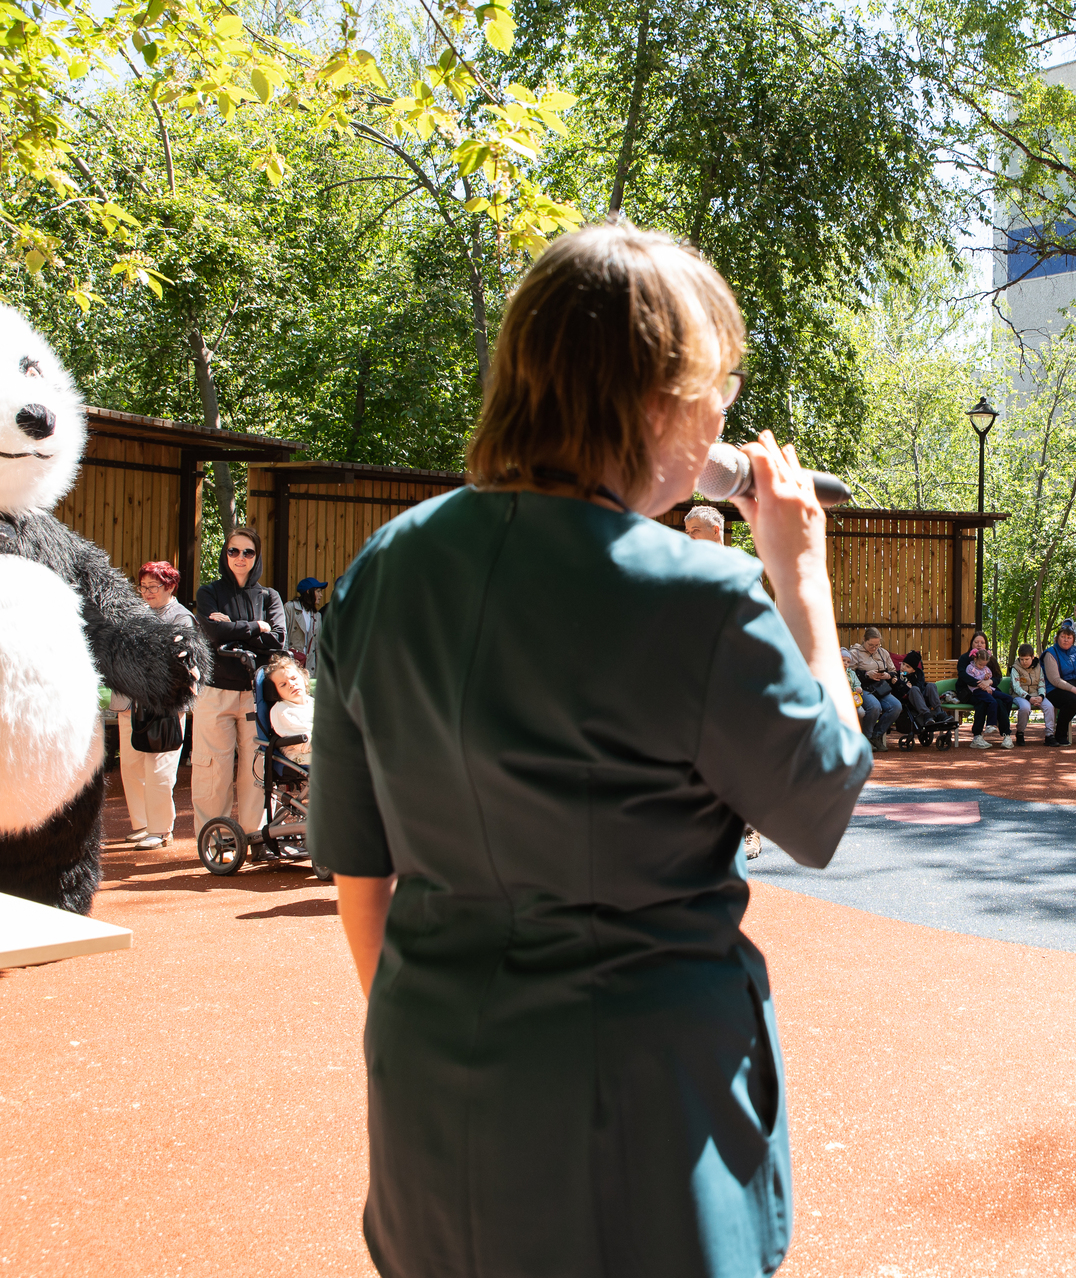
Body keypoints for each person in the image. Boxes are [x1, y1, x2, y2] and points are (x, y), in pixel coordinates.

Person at [310, 223, 871, 1278]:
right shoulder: (702, 596)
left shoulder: (384, 569)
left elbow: (361, 876)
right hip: (650, 1133)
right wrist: (802, 581)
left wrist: (455, 1053)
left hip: (435, 1113)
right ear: (657, 403)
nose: (724, 415)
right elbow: (822, 802)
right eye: (720, 387)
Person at [193, 524, 285, 837]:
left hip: (255, 694)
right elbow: (211, 633)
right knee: (212, 769)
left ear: (257, 556)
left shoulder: (269, 596)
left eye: (248, 552)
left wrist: (231, 627)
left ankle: (255, 836)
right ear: (225, 553)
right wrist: (256, 627)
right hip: (215, 692)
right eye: (234, 550)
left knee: (255, 768)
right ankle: (213, 839)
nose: (240, 557)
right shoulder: (208, 593)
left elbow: (278, 640)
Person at [118, 560, 196, 851]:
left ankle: (161, 829)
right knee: (131, 766)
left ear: (170, 586)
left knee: (159, 768)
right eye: (143, 587)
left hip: (164, 705)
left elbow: (180, 660)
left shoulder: (181, 617)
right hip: (130, 700)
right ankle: (142, 824)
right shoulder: (136, 613)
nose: (147, 592)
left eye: (153, 586)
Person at [848, 627, 903, 750]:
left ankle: (876, 735)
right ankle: (866, 738)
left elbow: (893, 671)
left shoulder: (883, 652)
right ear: (864, 640)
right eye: (871, 645)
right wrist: (867, 674)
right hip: (863, 688)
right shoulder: (855, 653)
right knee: (874, 707)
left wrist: (887, 675)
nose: (874, 648)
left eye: (877, 645)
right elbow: (849, 673)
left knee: (896, 706)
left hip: (880, 687)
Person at [963, 635, 1015, 749]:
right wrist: (981, 684)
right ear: (972, 643)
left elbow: (997, 677)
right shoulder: (967, 661)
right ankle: (980, 733)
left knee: (1005, 700)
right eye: (976, 642)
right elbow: (965, 677)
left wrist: (989, 681)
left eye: (982, 642)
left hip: (990, 689)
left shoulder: (990, 661)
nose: (979, 644)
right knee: (987, 703)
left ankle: (1002, 728)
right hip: (974, 691)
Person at [1041, 623, 1076, 745]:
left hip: (1074, 687)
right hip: (1054, 689)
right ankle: (1060, 734)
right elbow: (1055, 680)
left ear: (1073, 639)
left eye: (1069, 637)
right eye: (1063, 637)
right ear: (1057, 638)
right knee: (1072, 701)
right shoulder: (1050, 653)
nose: (1066, 640)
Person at [263, 652, 314, 762]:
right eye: (283, 684)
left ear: (304, 678)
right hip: (301, 753)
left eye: (294, 678)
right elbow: (305, 742)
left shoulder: (312, 702)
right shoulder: (282, 710)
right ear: (276, 692)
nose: (291, 684)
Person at [1011, 643, 1051, 744]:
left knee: (1049, 707)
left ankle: (1050, 735)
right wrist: (1028, 698)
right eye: (1022, 659)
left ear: (1032, 657)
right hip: (1020, 696)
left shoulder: (1039, 667)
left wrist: (1041, 696)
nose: (1024, 662)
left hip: (1036, 694)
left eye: (1027, 659)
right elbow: (1016, 687)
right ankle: (1020, 732)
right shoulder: (1015, 668)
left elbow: (1041, 684)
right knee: (1025, 708)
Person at [286, 577, 327, 668]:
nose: (321, 595)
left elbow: (318, 646)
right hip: (292, 664)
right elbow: (284, 637)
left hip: (310, 666)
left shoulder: (317, 615)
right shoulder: (290, 608)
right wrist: (285, 660)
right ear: (308, 591)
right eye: (318, 591)